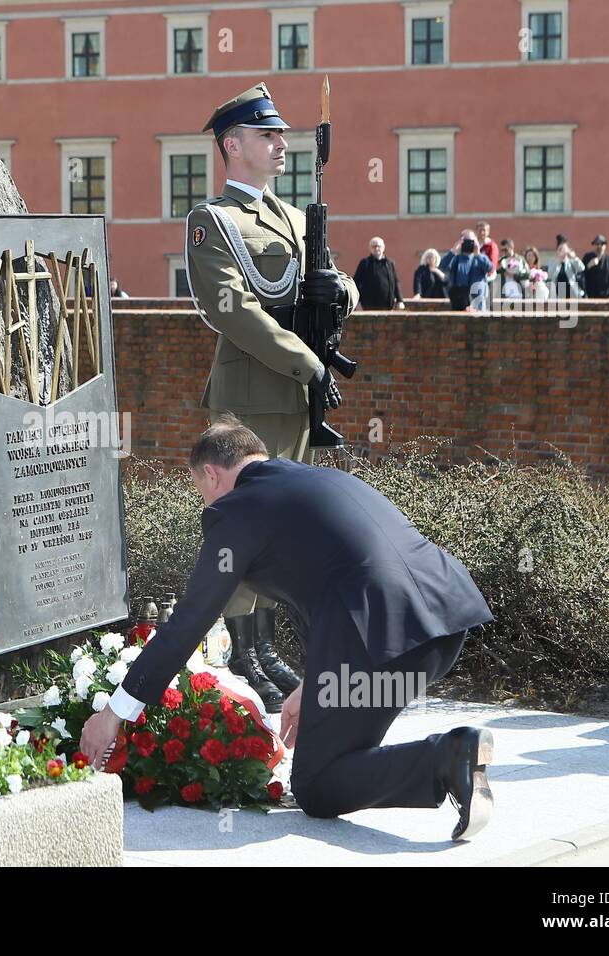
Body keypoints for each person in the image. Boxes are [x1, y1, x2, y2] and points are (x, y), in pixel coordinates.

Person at [79, 416, 496, 840]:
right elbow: (340, 572)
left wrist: (115, 712)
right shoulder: (320, 479)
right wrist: (314, 681)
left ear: (211, 473)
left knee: (317, 785)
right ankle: (452, 760)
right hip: (442, 622)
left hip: (377, 639)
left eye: (201, 491)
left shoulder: (238, 508)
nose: (206, 505)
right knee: (337, 758)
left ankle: (450, 756)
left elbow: (189, 621)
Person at [184, 81, 360, 713]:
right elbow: (232, 312)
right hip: (250, 399)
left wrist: (341, 298)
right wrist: (306, 361)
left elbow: (333, 278)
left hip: (294, 401)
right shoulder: (214, 222)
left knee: (280, 531)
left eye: (283, 134)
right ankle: (241, 653)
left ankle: (265, 647)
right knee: (241, 530)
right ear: (234, 145)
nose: (282, 143)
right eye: (267, 135)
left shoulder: (290, 216)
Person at [439, 234, 491, 311]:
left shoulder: (481, 258)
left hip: (477, 301)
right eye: (465, 241)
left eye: (471, 242)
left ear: (476, 242)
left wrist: (478, 255)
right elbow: (442, 266)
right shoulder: (455, 258)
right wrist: (453, 251)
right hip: (459, 300)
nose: (468, 244)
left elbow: (489, 268)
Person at [352, 237, 405, 310]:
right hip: (368, 306)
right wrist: (357, 302)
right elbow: (356, 283)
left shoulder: (389, 263)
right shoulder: (364, 263)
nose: (376, 248)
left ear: (383, 247)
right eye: (374, 246)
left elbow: (396, 282)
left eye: (379, 246)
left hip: (387, 306)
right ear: (369, 248)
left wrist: (400, 300)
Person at [581, 234, 609, 299]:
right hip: (590, 295)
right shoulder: (587, 257)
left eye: (601, 244)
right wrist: (589, 266)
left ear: (605, 246)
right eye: (597, 244)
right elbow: (581, 274)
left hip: (606, 295)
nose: (599, 246)